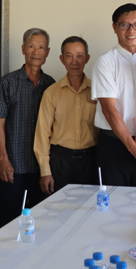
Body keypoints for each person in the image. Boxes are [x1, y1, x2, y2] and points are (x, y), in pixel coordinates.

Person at [91, 3, 136, 187]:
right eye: (124, 25)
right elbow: (109, 110)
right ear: (114, 27)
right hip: (114, 145)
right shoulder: (105, 62)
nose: (131, 30)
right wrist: (134, 148)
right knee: (113, 200)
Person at [0, 28, 55, 228]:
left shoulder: (51, 85)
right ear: (23, 49)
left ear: (47, 52)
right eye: (31, 46)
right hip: (13, 166)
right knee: (10, 223)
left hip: (41, 168)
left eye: (41, 47)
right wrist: (3, 161)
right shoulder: (7, 83)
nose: (36, 51)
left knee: (40, 223)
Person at [34, 36, 99, 194]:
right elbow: (42, 134)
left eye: (79, 56)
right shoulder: (51, 93)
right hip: (61, 161)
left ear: (87, 58)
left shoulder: (97, 91)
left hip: (91, 160)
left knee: (90, 205)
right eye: (69, 56)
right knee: (60, 206)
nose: (74, 62)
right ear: (62, 59)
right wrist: (45, 171)